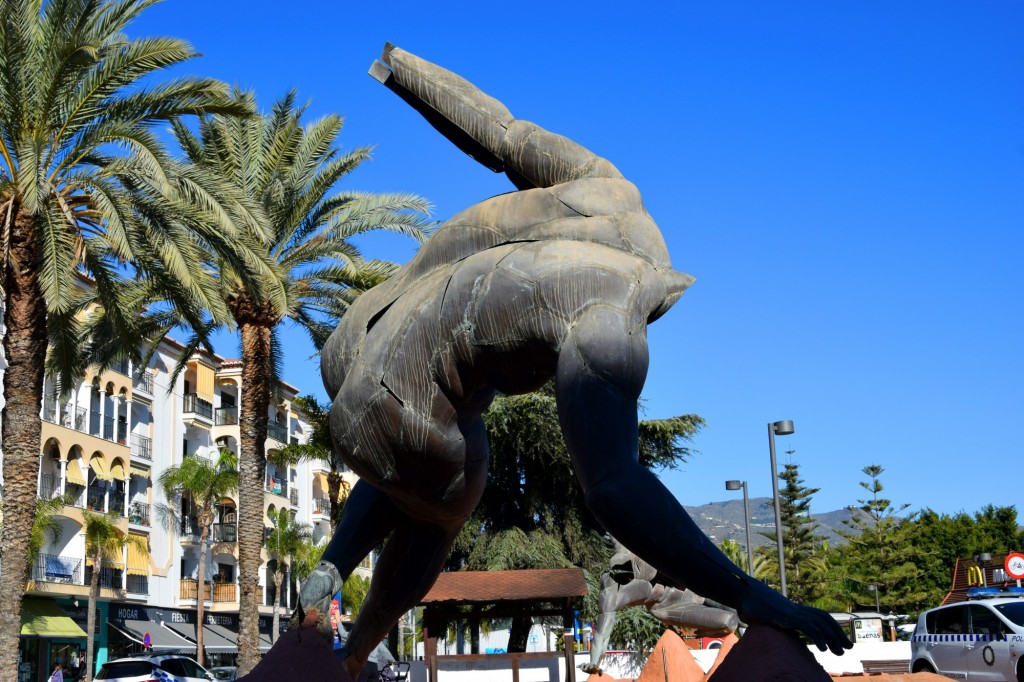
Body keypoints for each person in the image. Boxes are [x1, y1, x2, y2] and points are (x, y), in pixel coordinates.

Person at [292, 43, 853, 682]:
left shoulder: (608, 188)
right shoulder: (612, 312)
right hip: (398, 417)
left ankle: (333, 563)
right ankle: (355, 653)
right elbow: (612, 485)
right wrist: (747, 594)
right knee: (444, 502)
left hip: (357, 334)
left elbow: (500, 132)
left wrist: (402, 69)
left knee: (427, 461)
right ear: (664, 291)